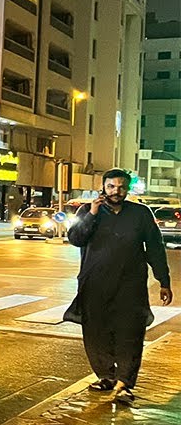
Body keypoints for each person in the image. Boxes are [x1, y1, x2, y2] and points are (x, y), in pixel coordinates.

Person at [64, 169, 172, 406]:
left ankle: (125, 383)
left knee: (130, 334)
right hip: (95, 284)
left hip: (130, 286)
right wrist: (92, 213)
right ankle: (106, 376)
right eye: (111, 187)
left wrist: (164, 280)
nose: (116, 191)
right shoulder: (88, 211)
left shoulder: (140, 214)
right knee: (96, 334)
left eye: (121, 187)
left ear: (127, 189)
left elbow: (155, 247)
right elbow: (76, 238)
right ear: (103, 187)